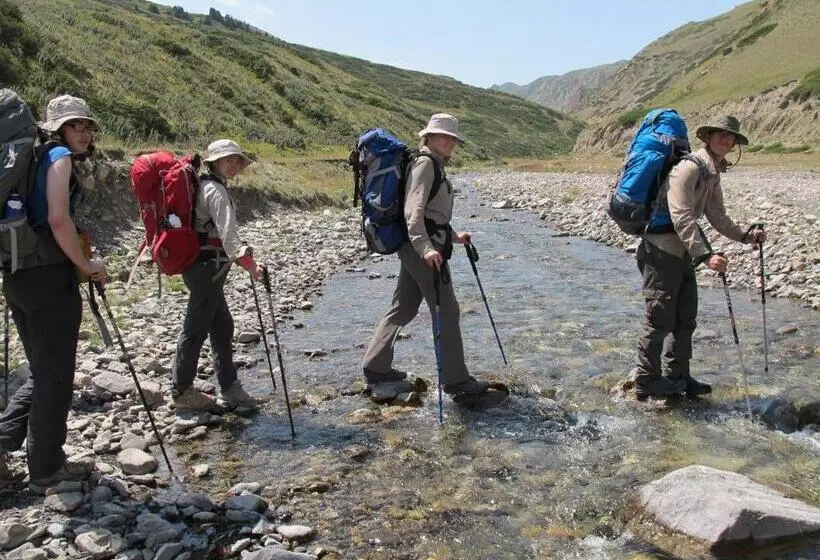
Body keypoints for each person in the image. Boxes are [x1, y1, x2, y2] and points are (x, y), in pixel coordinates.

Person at [0, 94, 105, 491]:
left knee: (44, 369)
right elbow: (59, 219)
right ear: (55, 128)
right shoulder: (56, 155)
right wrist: (86, 265)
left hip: (17, 275)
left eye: (86, 125)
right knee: (55, 376)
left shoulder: (23, 159)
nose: (83, 131)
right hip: (49, 278)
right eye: (74, 125)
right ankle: (46, 468)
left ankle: (5, 445)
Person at [634, 115, 765, 400]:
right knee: (658, 319)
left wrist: (745, 236)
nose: (726, 140)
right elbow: (681, 216)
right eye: (721, 134)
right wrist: (706, 256)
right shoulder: (688, 169)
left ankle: (678, 376)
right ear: (708, 137)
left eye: (730, 137)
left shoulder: (711, 172)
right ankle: (645, 381)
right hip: (661, 250)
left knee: (685, 318)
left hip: (682, 251)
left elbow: (717, 215)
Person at [361, 113, 490, 399]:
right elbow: (413, 211)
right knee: (447, 309)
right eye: (443, 136)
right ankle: (456, 381)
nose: (449, 142)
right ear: (428, 136)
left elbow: (434, 214)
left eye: (453, 138)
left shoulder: (433, 164)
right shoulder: (425, 164)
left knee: (403, 308)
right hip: (422, 250)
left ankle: (375, 367)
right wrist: (426, 248)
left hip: (421, 246)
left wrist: (455, 238)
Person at [170, 139, 262, 412]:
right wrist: (252, 267)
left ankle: (229, 386)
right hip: (206, 269)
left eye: (236, 160)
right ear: (214, 162)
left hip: (206, 268)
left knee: (222, 327)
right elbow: (229, 236)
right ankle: (182, 391)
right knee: (195, 328)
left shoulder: (209, 185)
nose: (233, 165)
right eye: (227, 160)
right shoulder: (216, 191)